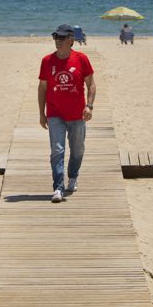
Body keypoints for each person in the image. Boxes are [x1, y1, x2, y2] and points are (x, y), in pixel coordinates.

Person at [38, 24, 96, 203]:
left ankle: (73, 176)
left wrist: (89, 106)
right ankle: (58, 188)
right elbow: (42, 88)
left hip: (77, 115)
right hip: (55, 114)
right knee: (57, 150)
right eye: (56, 38)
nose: (58, 41)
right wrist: (42, 113)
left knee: (77, 149)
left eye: (61, 38)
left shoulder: (81, 59)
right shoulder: (47, 61)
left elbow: (91, 84)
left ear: (71, 40)